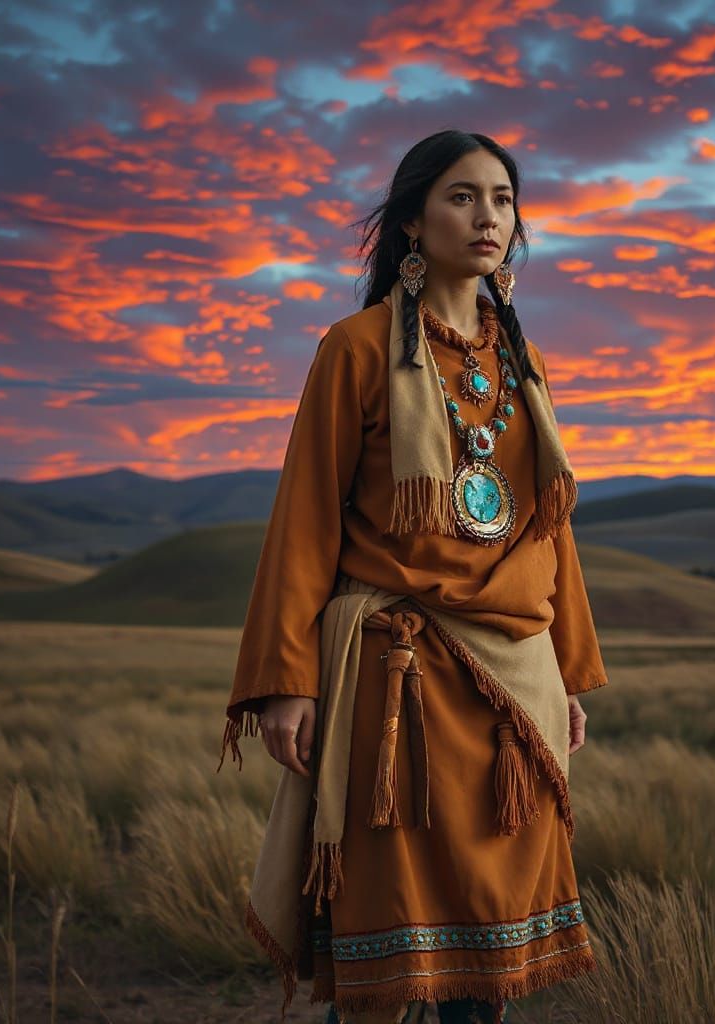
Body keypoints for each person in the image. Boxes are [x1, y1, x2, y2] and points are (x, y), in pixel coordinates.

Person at [218, 129, 609, 1024]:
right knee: (386, 964)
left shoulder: (522, 361)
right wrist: (289, 684)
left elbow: (549, 525)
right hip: (395, 686)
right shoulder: (354, 349)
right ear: (409, 224)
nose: (489, 217)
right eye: (463, 196)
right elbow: (306, 519)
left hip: (511, 687)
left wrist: (565, 671)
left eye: (504, 200)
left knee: (486, 971)